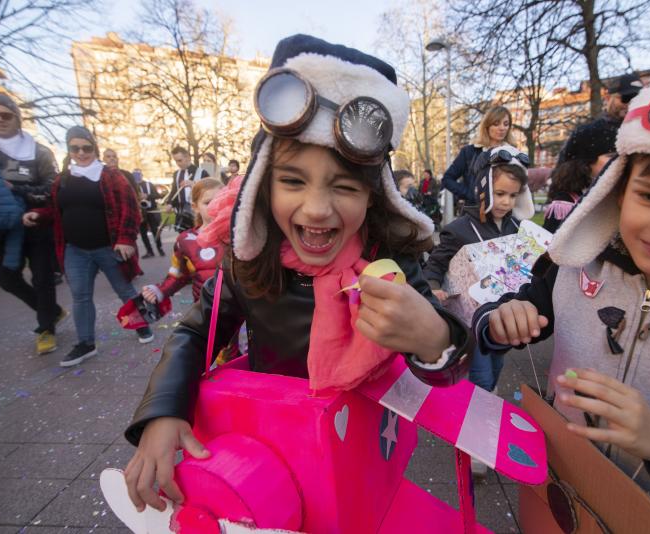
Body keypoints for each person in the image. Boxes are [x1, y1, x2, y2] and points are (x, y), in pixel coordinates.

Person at [122, 34, 474, 513]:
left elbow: (451, 365)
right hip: (271, 450)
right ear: (264, 185)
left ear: (374, 196)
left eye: (345, 186)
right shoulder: (247, 261)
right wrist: (163, 411)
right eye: (292, 181)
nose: (316, 209)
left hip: (365, 454)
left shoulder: (388, 263)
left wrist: (433, 337)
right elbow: (192, 332)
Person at [472, 63, 650, 532]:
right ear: (618, 191)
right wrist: (502, 318)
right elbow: (511, 313)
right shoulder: (573, 266)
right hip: (555, 504)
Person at [424, 145, 533, 475]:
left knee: (495, 370)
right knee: (481, 377)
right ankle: (477, 444)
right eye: (500, 193)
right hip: (469, 318)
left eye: (513, 196)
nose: (506, 202)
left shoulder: (515, 229)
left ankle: (475, 411)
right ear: (484, 187)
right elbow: (436, 263)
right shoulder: (458, 229)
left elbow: (523, 266)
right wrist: (432, 287)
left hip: (501, 317)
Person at [25, 126, 154, 368]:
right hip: (75, 250)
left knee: (124, 290)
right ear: (69, 150)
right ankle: (86, 343)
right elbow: (55, 209)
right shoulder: (62, 179)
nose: (82, 152)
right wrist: (38, 214)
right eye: (75, 148)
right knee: (80, 297)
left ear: (94, 148)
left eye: (87, 147)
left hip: (108, 247)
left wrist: (125, 239)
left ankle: (142, 325)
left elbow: (130, 208)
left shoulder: (111, 176)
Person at [0, 93, 66, 354]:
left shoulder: (38, 151)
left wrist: (20, 191)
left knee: (44, 277)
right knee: (5, 277)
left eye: (5, 114)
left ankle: (46, 328)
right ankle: (52, 311)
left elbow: (52, 188)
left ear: (16, 117)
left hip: (34, 223)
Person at [141, 178, 224, 306]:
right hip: (205, 311)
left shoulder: (240, 235)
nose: (216, 207)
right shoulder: (185, 240)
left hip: (241, 315)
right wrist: (160, 290)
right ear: (195, 207)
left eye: (221, 201)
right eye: (208, 202)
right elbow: (178, 274)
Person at [544, 118, 618, 233]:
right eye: (611, 156)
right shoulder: (565, 204)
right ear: (588, 161)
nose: (616, 162)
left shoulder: (613, 194)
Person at [442, 105, 515, 207]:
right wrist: (470, 194)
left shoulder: (513, 154)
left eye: (506, 124)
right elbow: (447, 179)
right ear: (487, 126)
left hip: (505, 214)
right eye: (496, 123)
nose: (502, 128)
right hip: (475, 213)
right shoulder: (469, 152)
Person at [166, 146, 208, 232]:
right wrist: (170, 203)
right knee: (184, 239)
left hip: (198, 213)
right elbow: (174, 191)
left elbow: (209, 191)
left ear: (188, 157)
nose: (178, 163)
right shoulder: (176, 174)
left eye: (180, 160)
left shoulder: (202, 172)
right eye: (176, 161)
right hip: (182, 213)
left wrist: (194, 184)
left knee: (199, 238)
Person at [133, 169, 164, 258]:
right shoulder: (132, 186)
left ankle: (160, 248)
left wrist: (147, 196)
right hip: (140, 211)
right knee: (143, 233)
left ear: (142, 175)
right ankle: (149, 251)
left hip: (151, 210)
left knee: (155, 231)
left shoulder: (149, 184)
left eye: (138, 174)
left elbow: (158, 196)